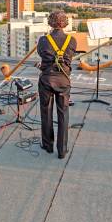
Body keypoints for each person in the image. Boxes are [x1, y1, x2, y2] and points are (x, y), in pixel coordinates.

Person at [37, 10, 77, 159]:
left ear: (50, 23)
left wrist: (49, 35)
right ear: (65, 23)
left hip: (47, 80)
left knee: (46, 113)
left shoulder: (43, 40)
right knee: (63, 113)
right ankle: (62, 149)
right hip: (64, 81)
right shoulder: (71, 40)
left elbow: (42, 54)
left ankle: (47, 145)